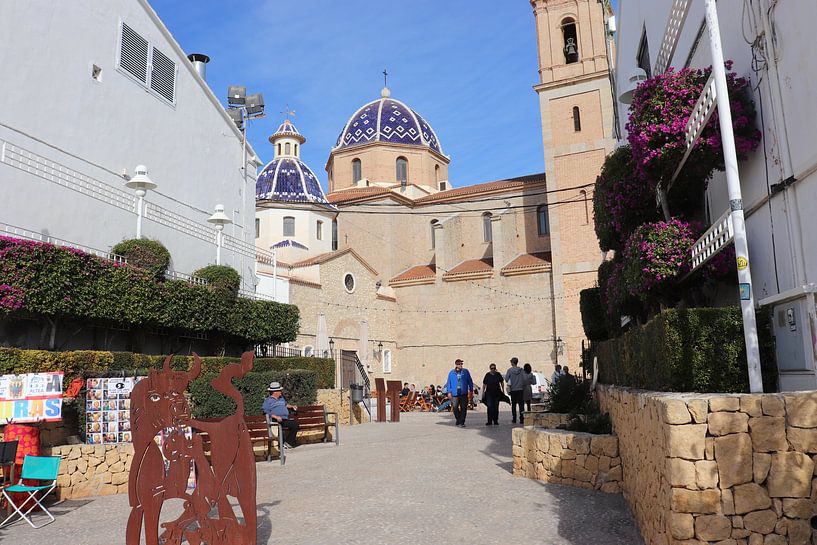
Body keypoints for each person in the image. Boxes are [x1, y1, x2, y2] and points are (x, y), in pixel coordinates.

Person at [262, 381, 299, 448]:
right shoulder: (268, 400)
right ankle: (282, 444)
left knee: (295, 425)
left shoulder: (281, 398)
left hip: (284, 419)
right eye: (279, 390)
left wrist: (292, 406)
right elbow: (266, 411)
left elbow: (285, 404)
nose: (281, 392)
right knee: (280, 428)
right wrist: (275, 417)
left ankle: (288, 442)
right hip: (275, 420)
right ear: (275, 392)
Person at [444, 358, 473, 427]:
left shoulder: (465, 371)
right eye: (459, 364)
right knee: (455, 407)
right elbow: (449, 383)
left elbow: (470, 381)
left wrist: (471, 390)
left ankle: (461, 422)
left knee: (464, 408)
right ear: (456, 365)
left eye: (461, 364)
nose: (461, 365)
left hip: (464, 393)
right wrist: (449, 392)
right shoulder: (451, 373)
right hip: (455, 394)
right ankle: (458, 419)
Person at [504, 357, 526, 424]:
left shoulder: (509, 370)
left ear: (512, 363)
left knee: (513, 405)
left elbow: (506, 379)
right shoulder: (522, 370)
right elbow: (524, 378)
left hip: (513, 390)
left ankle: (514, 418)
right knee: (521, 405)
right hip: (520, 389)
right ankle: (522, 419)